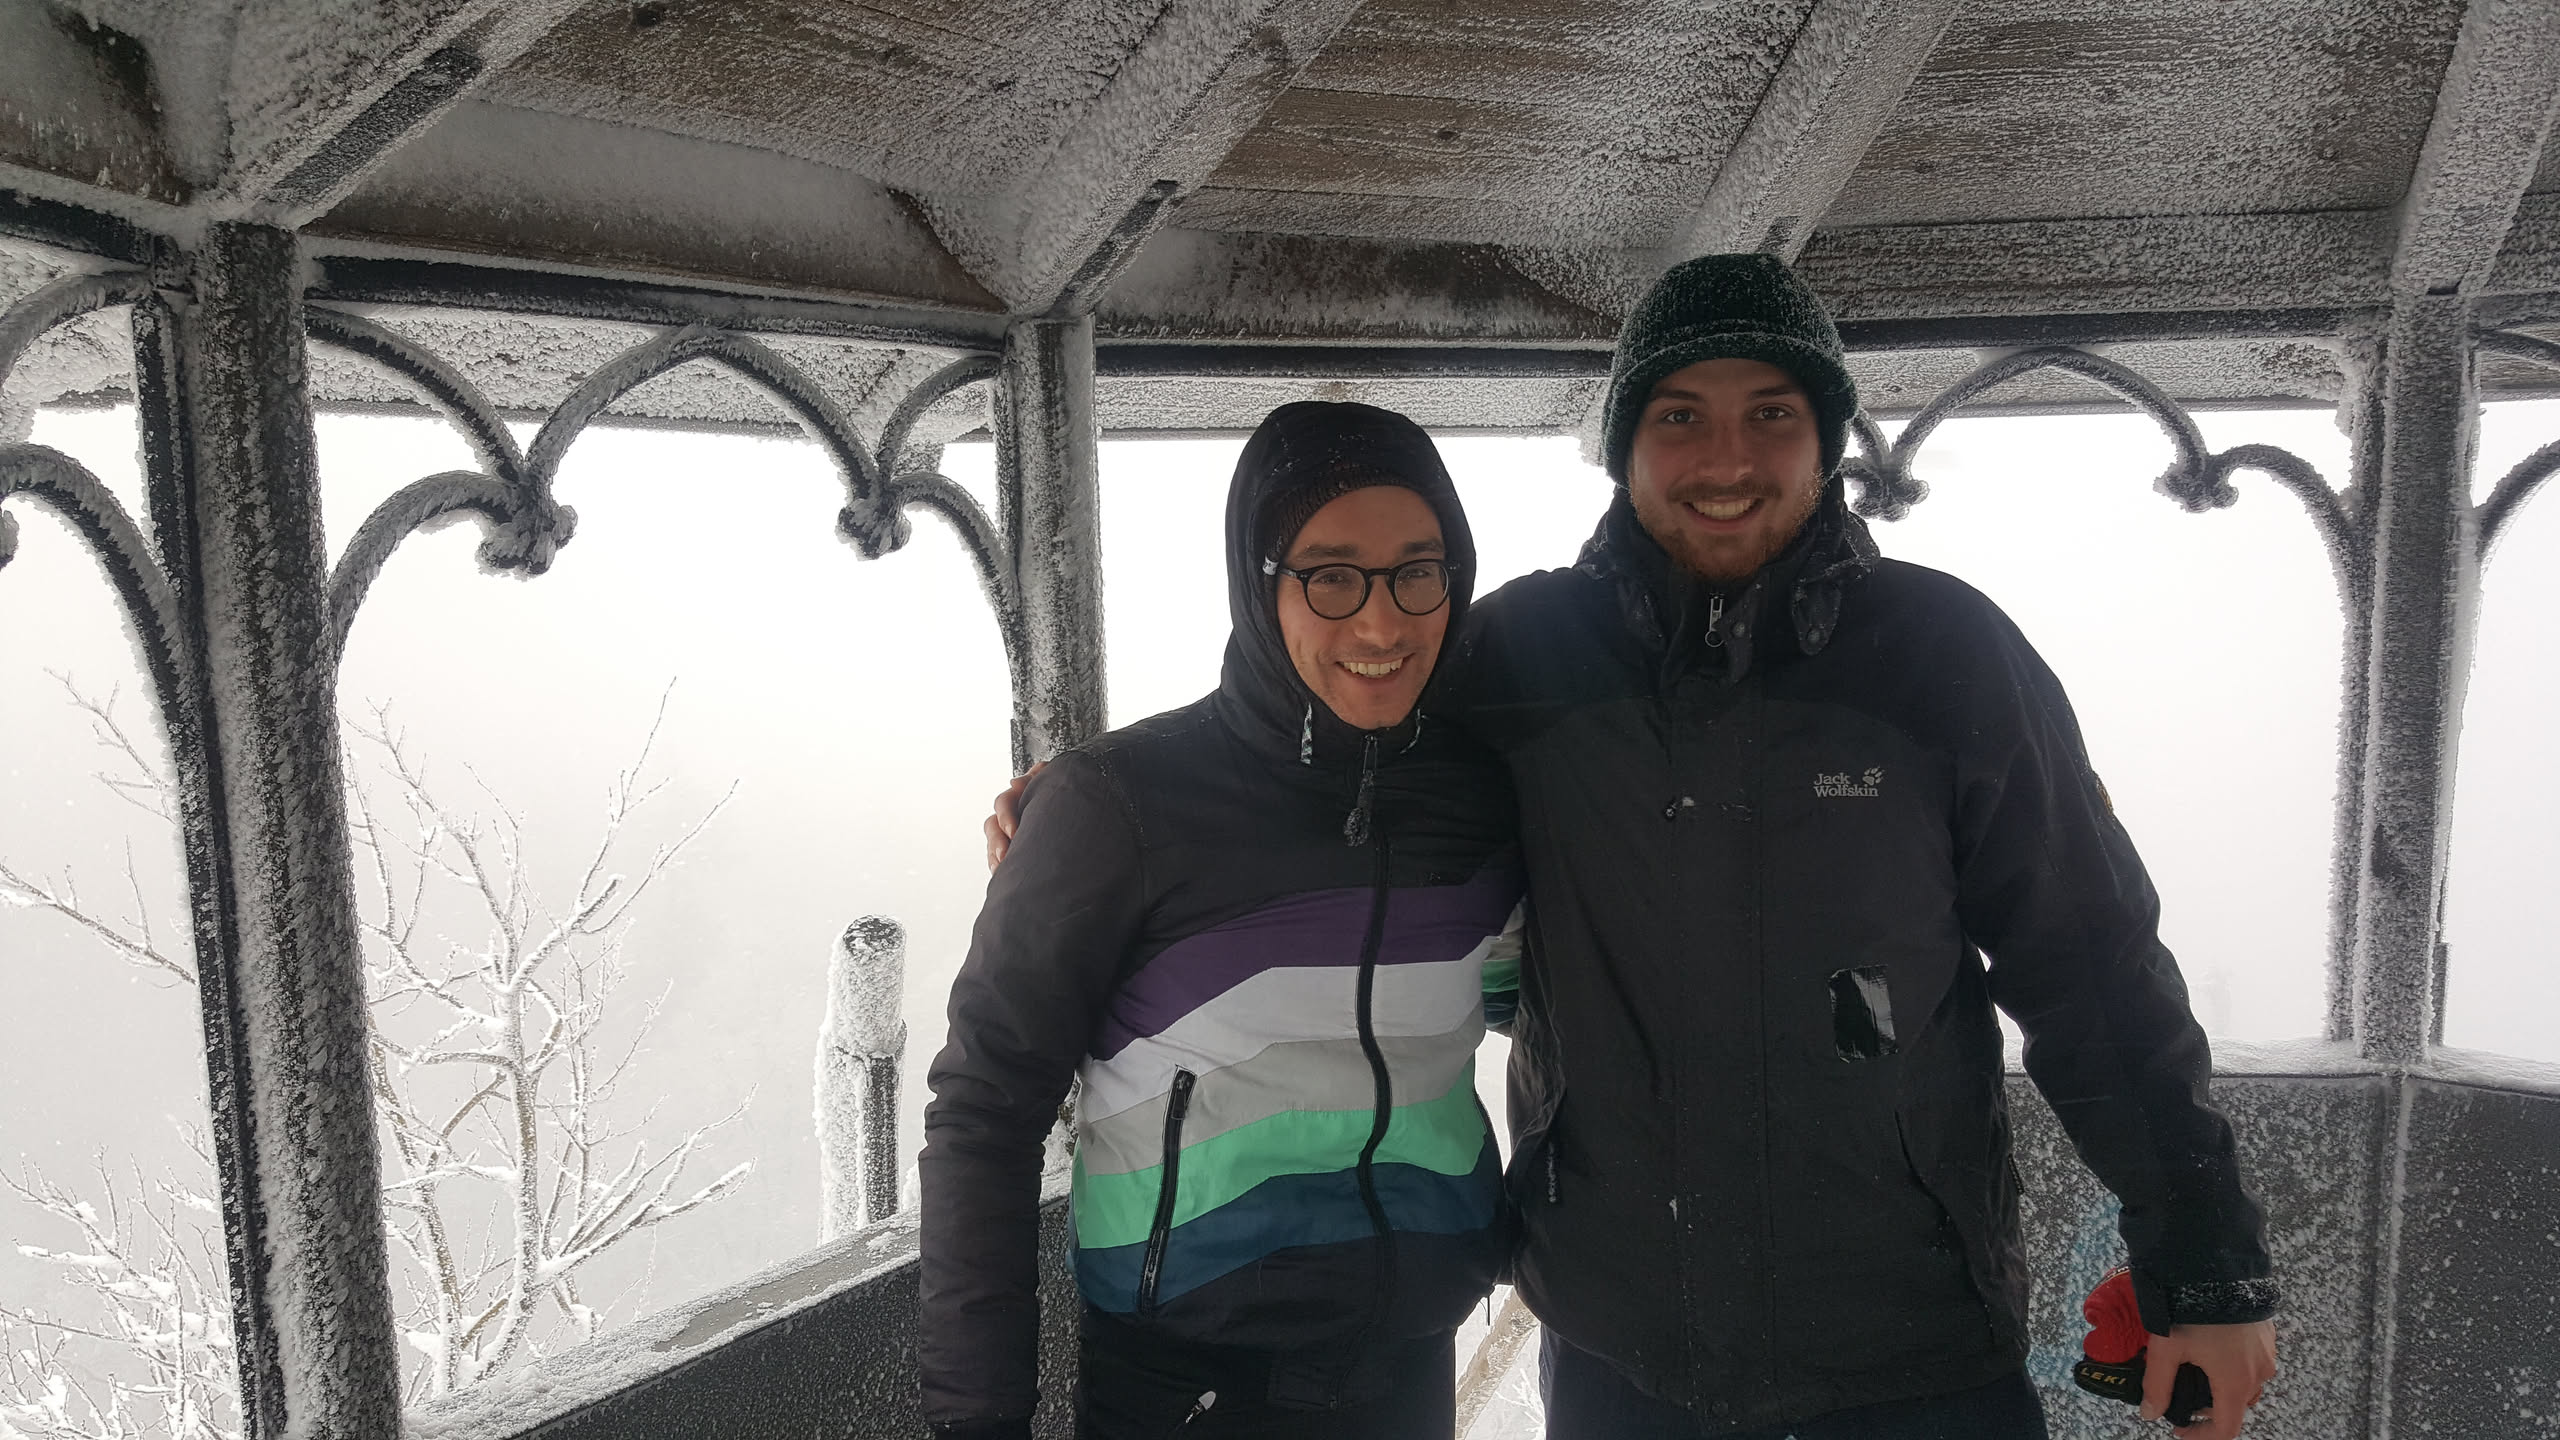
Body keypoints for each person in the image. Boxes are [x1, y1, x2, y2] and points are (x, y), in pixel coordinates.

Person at [989, 255, 2281, 1440]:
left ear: (1827, 437)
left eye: (1771, 412)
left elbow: (2089, 966)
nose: (1727, 457)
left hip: (1917, 1344)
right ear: (1623, 446)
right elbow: (1324, 719)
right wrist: (1099, 796)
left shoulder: (1945, 656)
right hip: (1626, 1355)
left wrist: (2204, 1259)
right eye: (1679, 416)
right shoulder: (1525, 657)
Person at [919, 402, 1525, 1440]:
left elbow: (1529, 998)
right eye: (1331, 577)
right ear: (1258, 580)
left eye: (1416, 573)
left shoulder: (1480, 807)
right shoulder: (1121, 809)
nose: (1382, 624)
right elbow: (985, 1110)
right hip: (1186, 1391)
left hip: (1408, 1370)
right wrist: (977, 1423)